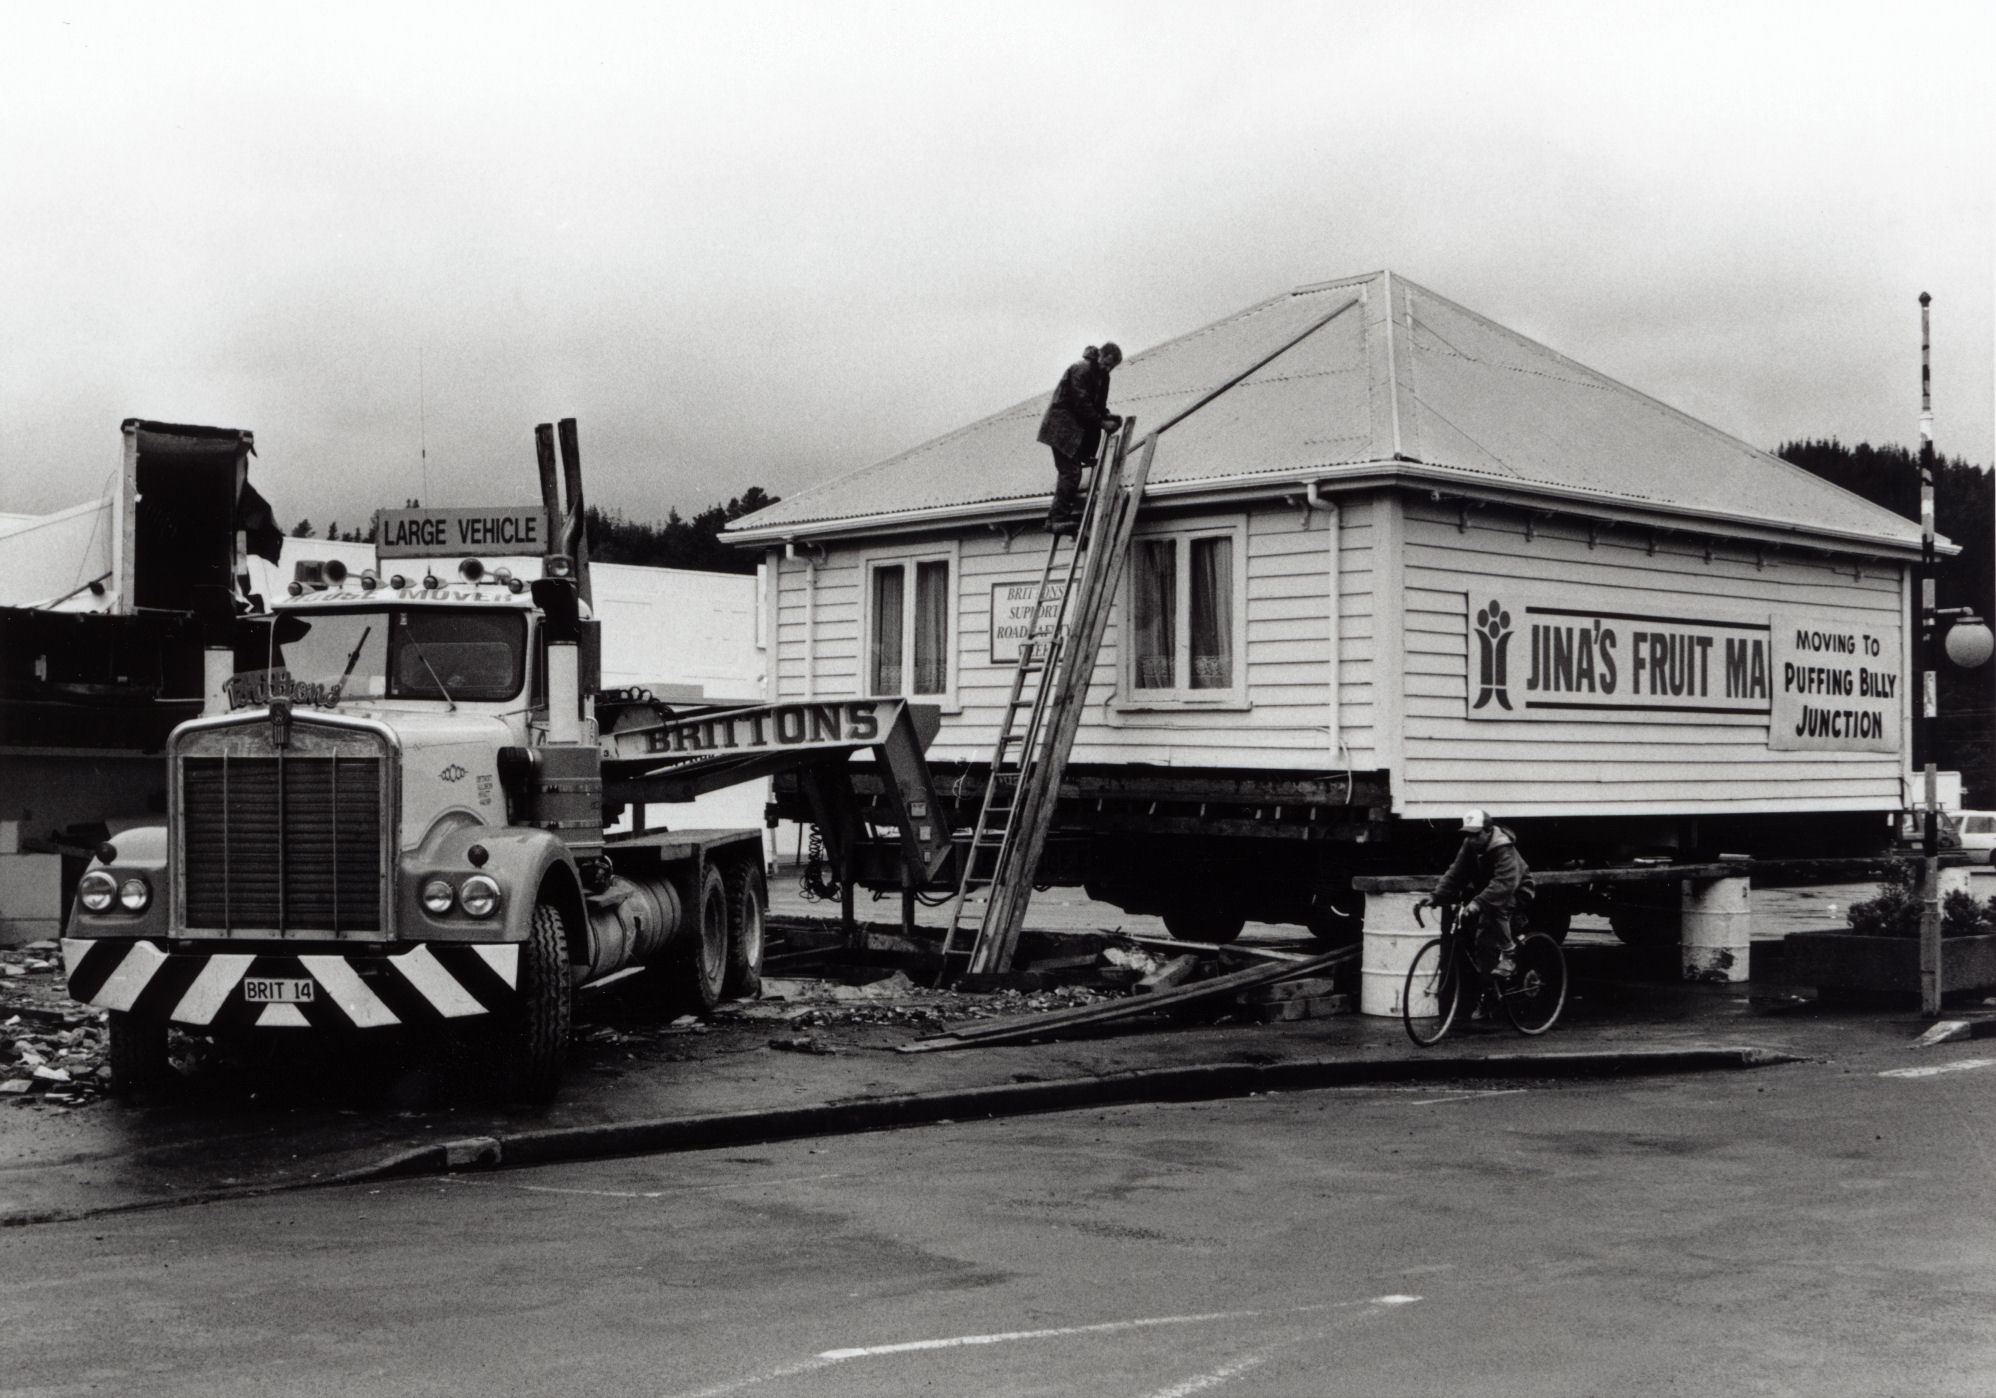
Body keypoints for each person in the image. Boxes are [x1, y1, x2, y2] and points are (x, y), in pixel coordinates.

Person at [1423, 809, 1529, 980]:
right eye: (1468, 835)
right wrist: (1436, 895)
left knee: (1496, 910)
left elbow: (1504, 883)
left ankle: (1510, 955)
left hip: (1516, 889)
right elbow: (1456, 872)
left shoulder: (1503, 847)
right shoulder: (1469, 845)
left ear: (1488, 831)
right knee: (1481, 941)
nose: (1472, 839)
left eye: (1476, 834)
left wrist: (1478, 903)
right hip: (1488, 890)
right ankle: (1488, 988)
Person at [1036, 342, 1123, 532]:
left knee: (1070, 471)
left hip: (1073, 428)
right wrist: (1101, 422)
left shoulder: (1102, 377)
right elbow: (1082, 403)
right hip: (1061, 427)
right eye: (1106, 363)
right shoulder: (1081, 369)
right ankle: (1058, 519)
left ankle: (1053, 519)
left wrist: (1107, 416)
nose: (1107, 369)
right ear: (1099, 355)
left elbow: (1097, 406)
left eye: (1111, 367)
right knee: (1071, 472)